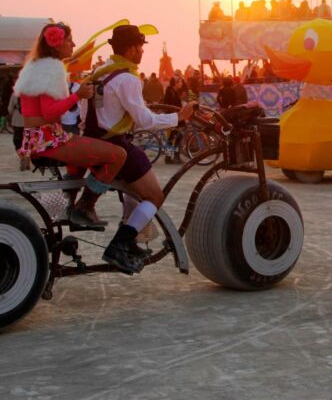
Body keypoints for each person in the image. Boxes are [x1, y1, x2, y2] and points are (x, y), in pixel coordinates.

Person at [80, 24, 196, 273]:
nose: (143, 52)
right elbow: (145, 121)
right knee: (154, 196)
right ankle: (120, 245)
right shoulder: (128, 78)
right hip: (114, 144)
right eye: (141, 47)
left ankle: (130, 240)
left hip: (92, 142)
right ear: (133, 49)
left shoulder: (98, 72)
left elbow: (83, 113)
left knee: (134, 190)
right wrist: (180, 117)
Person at [13, 22, 127, 226]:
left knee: (83, 156)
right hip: (48, 139)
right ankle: (84, 208)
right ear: (56, 44)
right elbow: (49, 113)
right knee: (118, 155)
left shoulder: (35, 65)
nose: (73, 44)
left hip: (35, 138)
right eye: (69, 40)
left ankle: (66, 202)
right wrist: (78, 95)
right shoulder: (52, 68)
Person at [7, 92, 29, 170]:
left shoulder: (15, 94)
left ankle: (22, 157)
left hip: (17, 122)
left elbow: (10, 109)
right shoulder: (31, 93)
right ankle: (27, 161)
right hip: (29, 121)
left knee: (17, 142)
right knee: (28, 141)